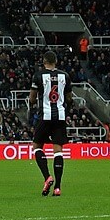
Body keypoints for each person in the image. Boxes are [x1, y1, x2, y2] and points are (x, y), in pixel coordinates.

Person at [27, 50, 72, 197]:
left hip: (45, 116)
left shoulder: (38, 75)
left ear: (44, 61)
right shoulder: (65, 76)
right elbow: (69, 98)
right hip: (60, 116)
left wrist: (32, 105)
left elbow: (32, 99)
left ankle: (47, 177)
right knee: (58, 150)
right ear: (56, 62)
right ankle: (58, 188)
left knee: (37, 146)